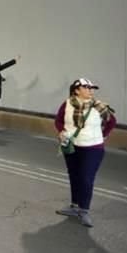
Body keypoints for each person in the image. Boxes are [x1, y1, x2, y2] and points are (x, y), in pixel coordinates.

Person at [54, 78, 117, 228]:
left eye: (92, 88)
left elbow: (112, 121)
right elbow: (58, 120)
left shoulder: (99, 106)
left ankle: (84, 210)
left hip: (93, 148)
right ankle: (74, 206)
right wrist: (61, 131)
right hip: (72, 145)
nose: (91, 90)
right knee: (74, 176)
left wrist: (104, 135)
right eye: (87, 87)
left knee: (86, 178)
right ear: (76, 90)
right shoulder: (67, 103)